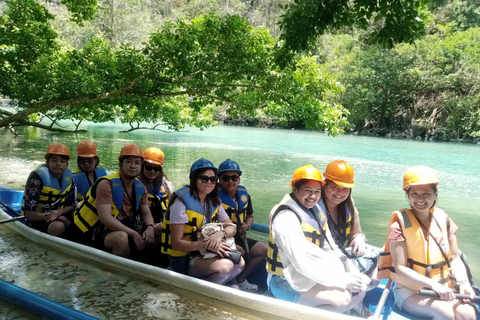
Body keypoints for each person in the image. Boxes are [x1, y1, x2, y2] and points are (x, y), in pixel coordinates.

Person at [266, 165, 370, 314]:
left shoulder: (315, 211)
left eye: (317, 192)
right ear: (295, 189)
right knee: (343, 300)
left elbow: (330, 248)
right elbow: (300, 263)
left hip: (307, 276)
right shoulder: (286, 218)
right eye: (307, 191)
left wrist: (348, 274)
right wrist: (342, 280)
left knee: (359, 290)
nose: (313, 197)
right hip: (284, 280)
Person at [378, 165, 477, 320]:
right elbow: (400, 268)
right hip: (410, 290)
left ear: (435, 194)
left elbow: (454, 258)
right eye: (414, 194)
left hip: (446, 286)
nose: (420, 199)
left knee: (468, 314)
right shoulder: (398, 225)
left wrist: (464, 284)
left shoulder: (443, 219)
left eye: (426, 194)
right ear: (408, 195)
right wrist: (433, 285)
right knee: (446, 313)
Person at [161, 158, 245, 284]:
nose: (209, 182)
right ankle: (197, 294)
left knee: (240, 262)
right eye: (204, 179)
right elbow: (176, 243)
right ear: (194, 179)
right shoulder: (181, 204)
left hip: (204, 252)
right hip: (183, 257)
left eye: (213, 179)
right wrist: (207, 244)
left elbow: (231, 227)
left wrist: (220, 235)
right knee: (226, 267)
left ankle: (213, 288)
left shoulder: (213, 201)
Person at [73, 144, 155, 258]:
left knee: (159, 228)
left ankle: (150, 261)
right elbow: (105, 218)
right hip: (99, 230)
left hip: (125, 225)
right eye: (128, 162)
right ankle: (126, 269)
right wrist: (133, 233)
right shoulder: (106, 184)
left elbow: (146, 212)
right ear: (120, 164)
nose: (133, 166)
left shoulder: (140, 187)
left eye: (137, 163)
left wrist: (151, 227)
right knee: (121, 238)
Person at [217, 159, 267, 292]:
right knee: (235, 254)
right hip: (221, 238)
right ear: (219, 180)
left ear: (239, 179)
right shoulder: (213, 198)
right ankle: (231, 283)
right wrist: (232, 245)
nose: (230, 181)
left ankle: (240, 280)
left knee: (265, 249)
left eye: (234, 177)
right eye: (226, 178)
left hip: (240, 236)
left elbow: (250, 216)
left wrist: (247, 225)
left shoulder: (244, 196)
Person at [21, 143, 75, 237]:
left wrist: (59, 213)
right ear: (47, 163)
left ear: (66, 165)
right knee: (58, 227)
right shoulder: (37, 179)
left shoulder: (69, 178)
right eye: (54, 160)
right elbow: (29, 213)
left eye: (62, 161)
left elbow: (71, 205)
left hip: (59, 214)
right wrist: (57, 217)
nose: (58, 164)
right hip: (38, 218)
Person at [137, 147, 173, 241]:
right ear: (142, 166)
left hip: (160, 222)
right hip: (142, 226)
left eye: (156, 168)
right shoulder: (135, 184)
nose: (152, 171)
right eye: (148, 167)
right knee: (165, 227)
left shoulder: (166, 184)